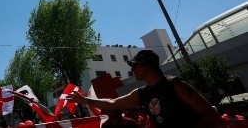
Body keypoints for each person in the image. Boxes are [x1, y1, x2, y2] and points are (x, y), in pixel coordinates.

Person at [66, 50, 221, 128]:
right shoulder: (141, 94)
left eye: (134, 65)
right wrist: (84, 100)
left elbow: (211, 116)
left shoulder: (175, 84)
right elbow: (112, 103)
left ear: (147, 65)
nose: (132, 70)